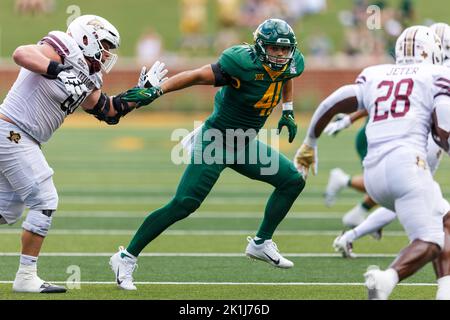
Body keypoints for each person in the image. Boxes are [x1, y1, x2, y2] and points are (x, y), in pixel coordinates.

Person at [109, 18, 305, 291]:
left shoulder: (291, 63)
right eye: (275, 49)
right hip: (216, 140)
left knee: (293, 180)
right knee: (184, 203)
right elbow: (197, 75)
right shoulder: (241, 64)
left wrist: (288, 110)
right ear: (260, 47)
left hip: (244, 143)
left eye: (285, 50)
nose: (281, 55)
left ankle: (260, 243)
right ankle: (125, 257)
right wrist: (156, 90)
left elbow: (287, 77)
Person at [0, 14, 167, 293]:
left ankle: (25, 275)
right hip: (12, 130)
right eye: (104, 46)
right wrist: (58, 70)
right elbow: (21, 54)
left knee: (7, 210)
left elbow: (107, 111)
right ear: (87, 38)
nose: (106, 55)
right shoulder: (63, 47)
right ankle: (25, 276)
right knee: (44, 198)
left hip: (23, 138)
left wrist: (141, 94)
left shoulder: (89, 74)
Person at [294, 25, 450, 300]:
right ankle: (386, 278)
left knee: (445, 219)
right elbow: (444, 130)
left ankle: (445, 290)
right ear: (433, 50)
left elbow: (335, 100)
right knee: (431, 241)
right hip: (408, 165)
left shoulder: (376, 73)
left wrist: (310, 142)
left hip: (374, 173)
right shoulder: (436, 75)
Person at [326, 22, 450, 260]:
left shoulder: (422, 69)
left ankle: (350, 234)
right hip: (420, 139)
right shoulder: (434, 71)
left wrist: (349, 119)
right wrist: (349, 119)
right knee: (415, 194)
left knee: (408, 195)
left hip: (413, 138)